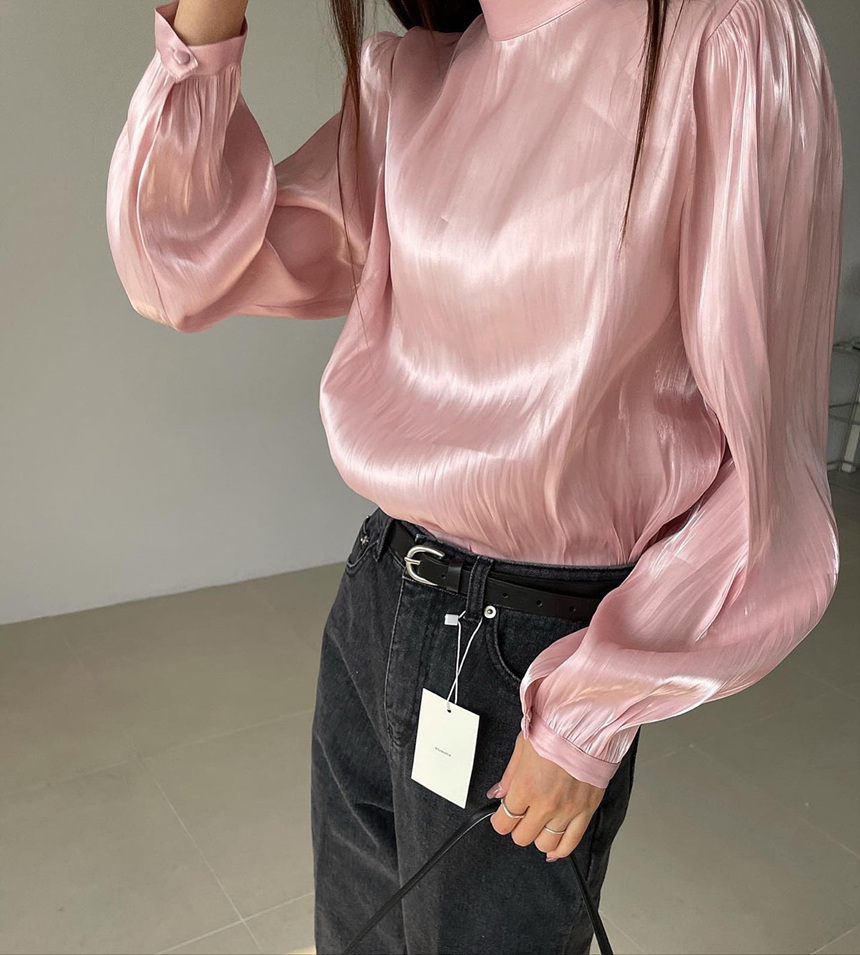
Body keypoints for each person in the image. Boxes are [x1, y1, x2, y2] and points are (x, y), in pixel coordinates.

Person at [105, 0, 843, 951]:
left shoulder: (724, 32)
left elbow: (768, 460)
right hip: (381, 594)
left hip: (536, 651)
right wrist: (210, 20)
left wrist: (588, 711)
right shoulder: (419, 72)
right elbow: (182, 267)